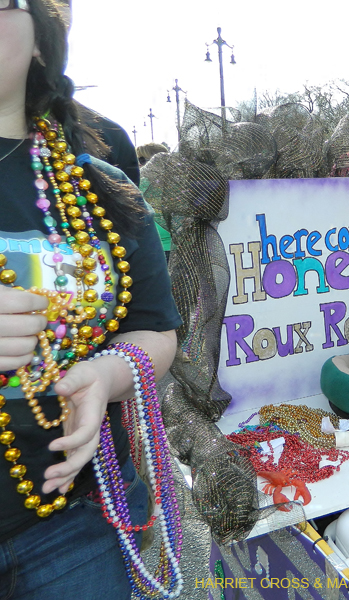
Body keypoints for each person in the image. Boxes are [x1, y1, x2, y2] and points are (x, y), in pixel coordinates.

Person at [0, 2, 182, 596]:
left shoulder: (103, 188)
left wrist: (106, 375)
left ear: (40, 36)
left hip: (77, 526)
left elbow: (155, 331)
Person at [136, 143, 171, 261]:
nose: (138, 164)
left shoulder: (137, 185)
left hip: (160, 249)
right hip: (152, 248)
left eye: (141, 160)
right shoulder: (136, 185)